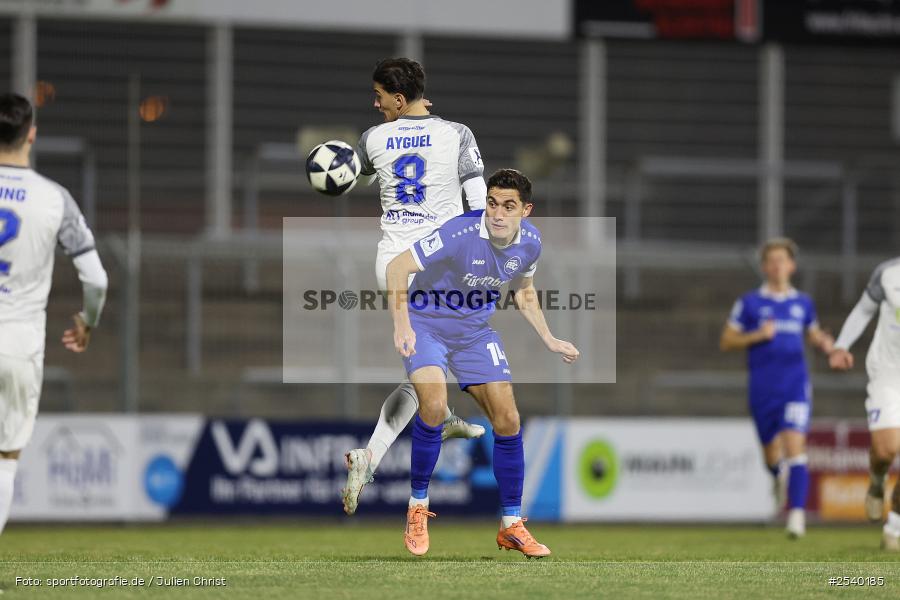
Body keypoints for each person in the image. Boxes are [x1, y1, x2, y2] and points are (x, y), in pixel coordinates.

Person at [386, 168, 579, 557]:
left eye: (508, 206)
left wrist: (549, 338)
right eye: (492, 203)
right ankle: (417, 508)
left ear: (526, 210)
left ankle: (511, 526)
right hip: (427, 326)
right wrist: (402, 324)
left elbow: (524, 291)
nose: (497, 213)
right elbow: (397, 267)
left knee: (508, 420)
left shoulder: (531, 244)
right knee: (435, 408)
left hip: (474, 333)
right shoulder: (460, 233)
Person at [342, 57, 489, 515]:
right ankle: (439, 419)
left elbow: (346, 175)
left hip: (391, 265)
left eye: (380, 97)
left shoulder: (372, 139)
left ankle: (373, 454)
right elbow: (479, 199)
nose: (376, 103)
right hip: (438, 265)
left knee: (425, 369)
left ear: (399, 99)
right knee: (434, 370)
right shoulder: (457, 134)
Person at [0, 93, 108, 534]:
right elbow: (97, 279)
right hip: (17, 345)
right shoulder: (54, 199)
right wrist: (88, 323)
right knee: (6, 456)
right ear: (32, 134)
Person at [719, 238, 833, 538]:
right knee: (770, 452)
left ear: (791, 266)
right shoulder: (750, 303)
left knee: (796, 447)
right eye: (772, 261)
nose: (778, 266)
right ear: (764, 267)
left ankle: (796, 516)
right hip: (762, 389)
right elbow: (727, 340)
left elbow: (814, 333)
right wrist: (756, 335)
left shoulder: (803, 303)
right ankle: (775, 476)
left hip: (795, 386)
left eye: (783, 260)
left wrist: (825, 343)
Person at [829, 257, 900, 550]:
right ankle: (876, 480)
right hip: (888, 374)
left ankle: (894, 528)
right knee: (886, 450)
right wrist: (841, 346)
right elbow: (863, 310)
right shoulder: (889, 273)